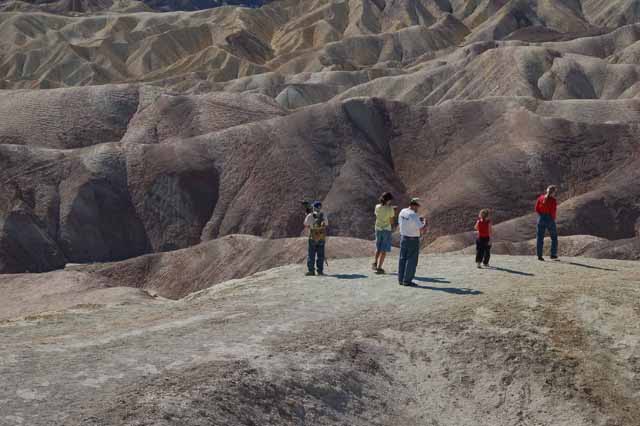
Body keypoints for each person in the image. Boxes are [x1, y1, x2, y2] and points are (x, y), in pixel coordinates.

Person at [398, 198, 427, 286]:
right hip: (412, 240)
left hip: (403, 238)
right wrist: (425, 222)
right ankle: (407, 281)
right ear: (414, 205)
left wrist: (418, 220)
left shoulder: (403, 211)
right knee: (411, 260)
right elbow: (422, 229)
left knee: (402, 259)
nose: (417, 209)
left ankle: (401, 279)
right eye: (417, 206)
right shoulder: (413, 215)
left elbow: (402, 223)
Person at [372, 192, 396, 274]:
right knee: (384, 250)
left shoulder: (377, 207)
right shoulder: (390, 209)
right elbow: (391, 221)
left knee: (378, 247)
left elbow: (377, 215)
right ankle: (379, 267)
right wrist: (392, 211)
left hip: (378, 228)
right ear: (388, 200)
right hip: (386, 230)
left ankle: (374, 262)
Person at [304, 201, 328, 276]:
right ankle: (320, 271)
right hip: (321, 237)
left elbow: (305, 224)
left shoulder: (310, 215)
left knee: (311, 254)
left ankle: (311, 271)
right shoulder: (323, 215)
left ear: (314, 207)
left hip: (313, 237)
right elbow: (326, 224)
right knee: (320, 255)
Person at [535, 185, 559, 261]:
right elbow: (553, 211)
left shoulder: (540, 198)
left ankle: (539, 256)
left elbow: (536, 209)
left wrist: (541, 215)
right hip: (549, 219)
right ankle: (553, 254)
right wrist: (553, 218)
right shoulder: (553, 200)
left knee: (540, 238)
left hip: (541, 218)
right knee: (554, 237)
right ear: (553, 192)